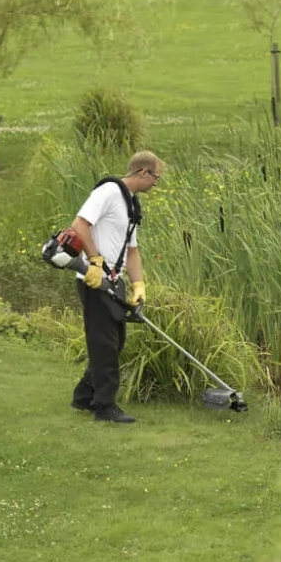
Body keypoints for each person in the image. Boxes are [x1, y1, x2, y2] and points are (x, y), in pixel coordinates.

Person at [69, 151, 164, 423]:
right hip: (94, 279)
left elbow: (132, 251)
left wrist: (138, 285)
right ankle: (104, 407)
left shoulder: (130, 204)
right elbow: (79, 224)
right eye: (155, 177)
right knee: (105, 344)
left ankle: (84, 395)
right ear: (143, 172)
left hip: (113, 280)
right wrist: (95, 263)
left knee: (115, 342)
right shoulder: (109, 191)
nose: (156, 184)